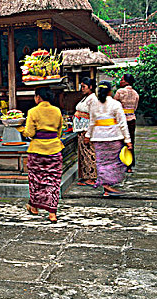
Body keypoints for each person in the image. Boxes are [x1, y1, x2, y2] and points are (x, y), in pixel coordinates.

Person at [17, 87, 64, 223]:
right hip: (54, 149)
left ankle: (35, 207)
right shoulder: (57, 111)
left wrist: (19, 128)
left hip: (37, 150)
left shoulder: (33, 111)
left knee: (36, 181)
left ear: (38, 97)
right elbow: (59, 130)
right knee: (53, 181)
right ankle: (52, 213)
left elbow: (30, 133)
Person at [85, 81, 132, 196]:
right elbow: (122, 123)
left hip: (98, 138)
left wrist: (88, 135)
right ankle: (107, 185)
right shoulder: (115, 104)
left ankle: (106, 187)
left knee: (102, 162)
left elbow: (92, 122)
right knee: (114, 163)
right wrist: (128, 140)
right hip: (113, 137)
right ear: (110, 91)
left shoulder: (94, 104)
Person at [74, 78, 98, 186]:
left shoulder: (93, 99)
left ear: (91, 87)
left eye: (84, 86)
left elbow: (93, 117)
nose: (82, 89)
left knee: (89, 154)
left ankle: (92, 177)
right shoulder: (86, 98)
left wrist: (88, 134)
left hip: (86, 130)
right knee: (84, 154)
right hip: (81, 129)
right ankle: (86, 176)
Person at [114, 74, 139, 173]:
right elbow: (135, 107)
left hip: (121, 120)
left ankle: (120, 163)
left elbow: (114, 105)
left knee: (120, 142)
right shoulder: (135, 94)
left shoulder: (120, 92)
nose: (120, 81)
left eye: (122, 80)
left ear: (126, 81)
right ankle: (129, 165)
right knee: (130, 142)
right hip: (131, 119)